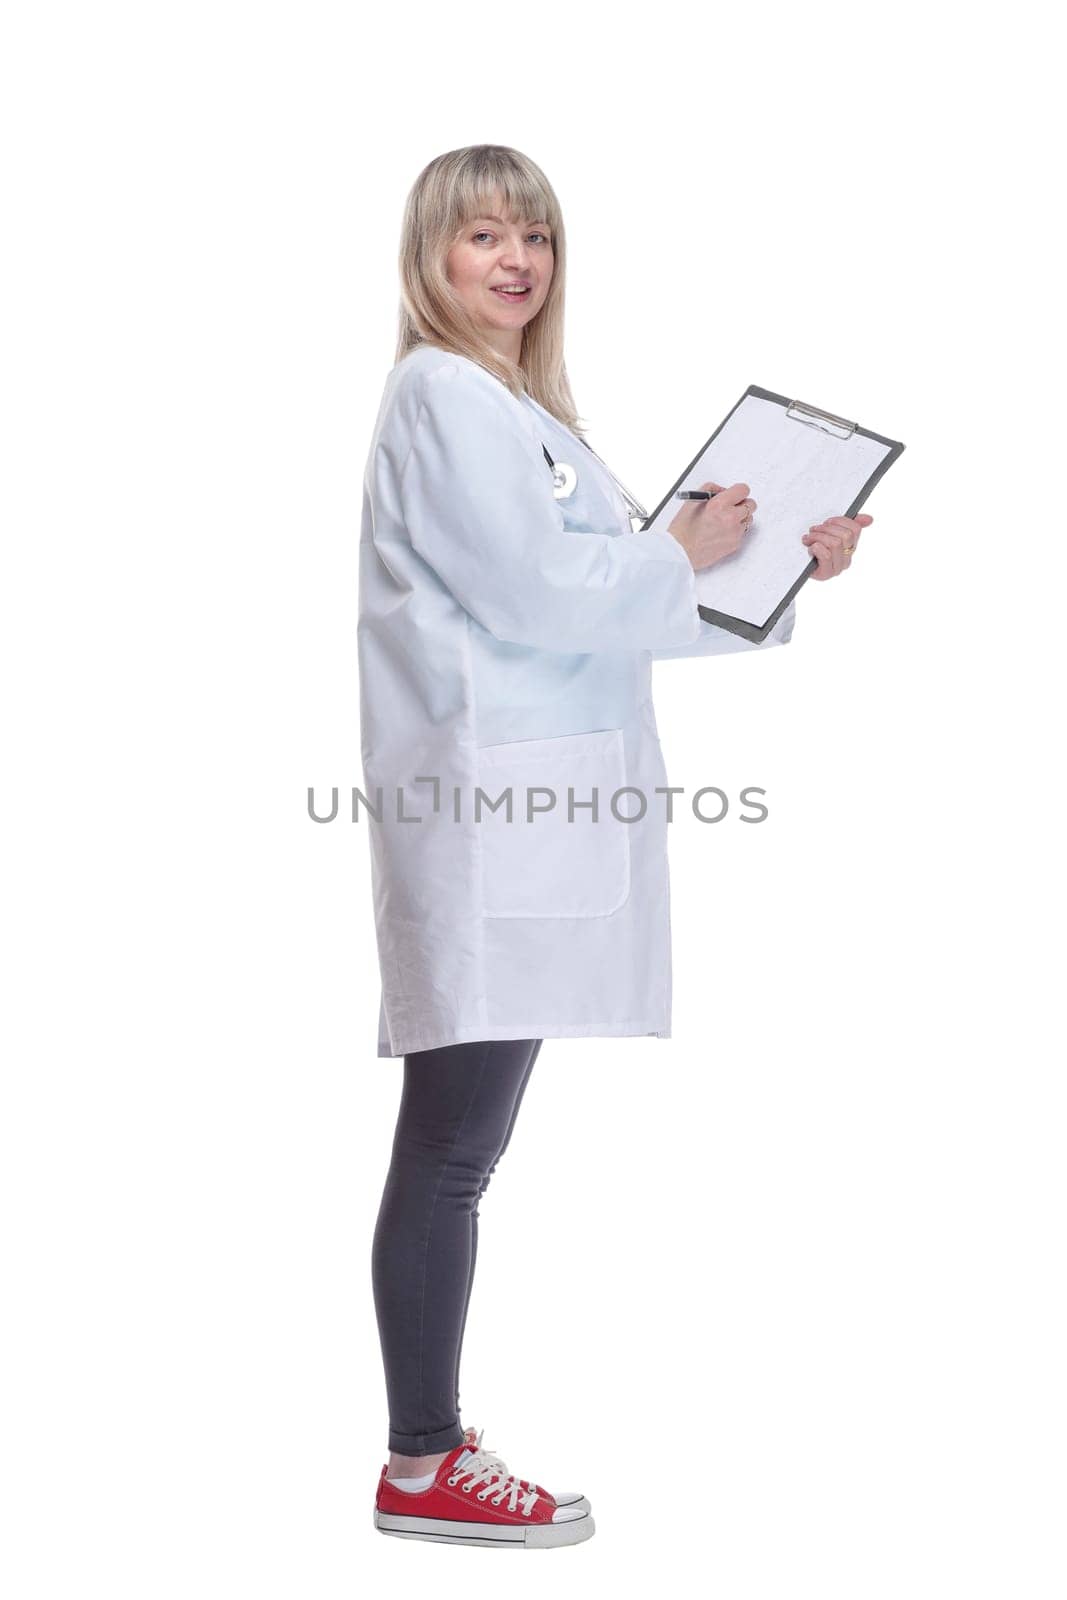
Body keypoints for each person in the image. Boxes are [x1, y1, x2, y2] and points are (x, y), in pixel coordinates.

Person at [361, 144, 871, 1550]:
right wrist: (686, 553)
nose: (514, 259)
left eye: (534, 236)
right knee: (453, 1152)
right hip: (488, 815)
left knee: (461, 1147)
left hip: (533, 813)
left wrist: (776, 572)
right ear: (433, 258)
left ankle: (428, 1449)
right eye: (483, 237)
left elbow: (625, 603)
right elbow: (544, 587)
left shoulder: (520, 409)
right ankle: (420, 1463)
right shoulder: (444, 396)